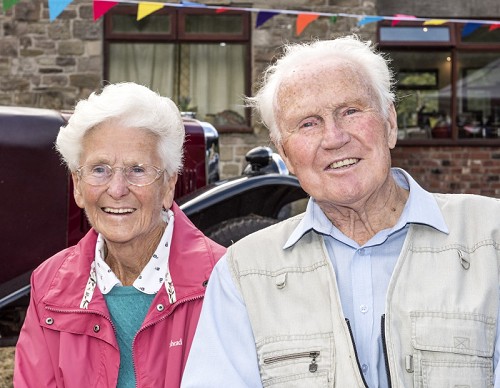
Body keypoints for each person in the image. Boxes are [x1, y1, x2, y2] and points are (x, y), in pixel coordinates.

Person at [181, 36, 500, 387]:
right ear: (285, 154)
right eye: (308, 123)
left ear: (389, 124)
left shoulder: (491, 240)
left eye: (350, 111)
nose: (334, 138)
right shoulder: (243, 275)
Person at [14, 82, 226, 387]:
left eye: (137, 170)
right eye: (99, 169)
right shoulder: (49, 285)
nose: (116, 189)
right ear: (77, 185)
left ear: (168, 186)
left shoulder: (223, 280)